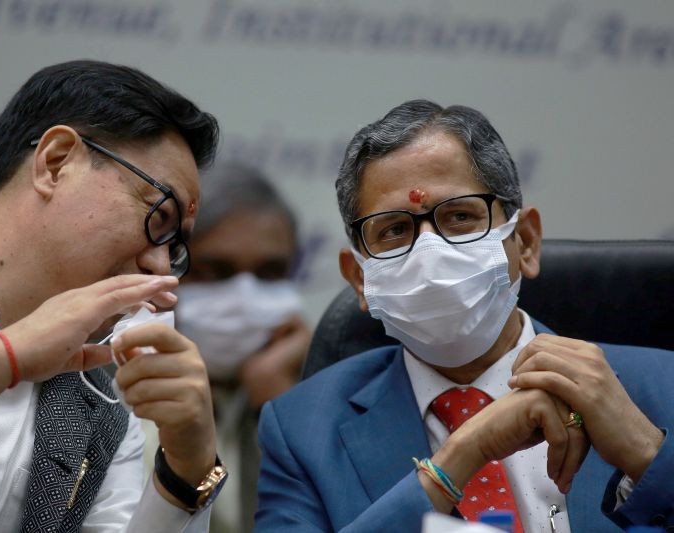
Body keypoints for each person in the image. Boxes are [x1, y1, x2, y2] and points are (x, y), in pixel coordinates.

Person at [255, 99, 673, 532]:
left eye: (459, 216)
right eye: (395, 230)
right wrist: (462, 455)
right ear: (360, 279)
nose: (428, 253)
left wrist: (647, 457)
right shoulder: (300, 432)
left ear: (525, 242)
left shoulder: (663, 387)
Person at [0, 60, 228, 532]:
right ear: (57, 161)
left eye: (175, 249)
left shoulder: (104, 408)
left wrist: (187, 471)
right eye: (156, 219)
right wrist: (5, 358)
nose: (161, 268)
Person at [175, 162, 310, 533]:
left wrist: (283, 410)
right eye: (215, 271)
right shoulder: (106, 390)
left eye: (269, 272)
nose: (245, 295)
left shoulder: (324, 390)